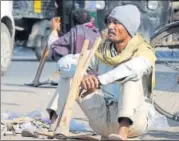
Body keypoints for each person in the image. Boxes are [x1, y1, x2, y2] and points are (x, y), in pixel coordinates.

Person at [46, 4, 157, 140]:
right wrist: (82, 75)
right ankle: (55, 124)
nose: (110, 26)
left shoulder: (144, 52)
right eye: (109, 22)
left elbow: (130, 69)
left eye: (116, 23)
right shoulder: (103, 51)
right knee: (70, 76)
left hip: (135, 122)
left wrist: (99, 81)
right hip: (104, 119)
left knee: (130, 79)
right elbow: (63, 63)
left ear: (129, 27)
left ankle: (122, 133)